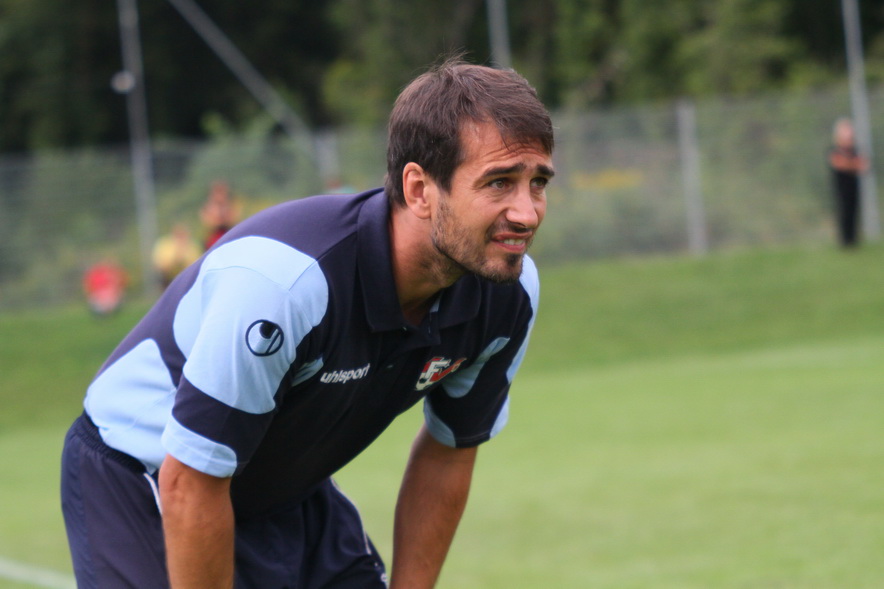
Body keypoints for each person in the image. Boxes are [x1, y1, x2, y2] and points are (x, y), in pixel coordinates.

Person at [60, 57, 555, 588]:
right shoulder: (287, 284)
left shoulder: (509, 292)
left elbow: (449, 452)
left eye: (538, 183)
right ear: (419, 190)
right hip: (148, 476)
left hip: (282, 489)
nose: (527, 213)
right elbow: (192, 480)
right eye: (499, 183)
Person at [828, 117, 869, 248]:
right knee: (844, 212)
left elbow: (864, 165)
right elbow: (840, 164)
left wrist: (852, 164)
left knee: (854, 212)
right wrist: (853, 164)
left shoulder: (855, 150)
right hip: (841, 188)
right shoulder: (835, 150)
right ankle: (845, 242)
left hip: (854, 187)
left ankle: (853, 240)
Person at [152, 223, 202, 288]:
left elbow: (196, 266)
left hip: (187, 280)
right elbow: (161, 266)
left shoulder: (193, 246)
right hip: (168, 281)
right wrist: (176, 257)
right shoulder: (165, 244)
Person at [200, 179, 240, 250]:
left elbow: (233, 219)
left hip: (227, 236)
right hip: (213, 239)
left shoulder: (230, 206)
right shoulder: (209, 207)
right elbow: (210, 222)